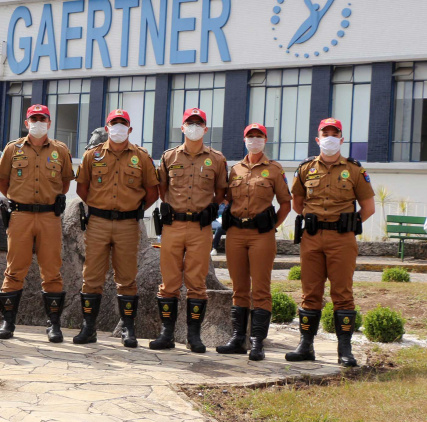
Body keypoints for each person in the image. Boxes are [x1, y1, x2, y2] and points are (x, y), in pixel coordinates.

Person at [286, 118, 375, 367]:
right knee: (310, 292)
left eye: (334, 134)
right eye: (325, 134)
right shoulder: (305, 168)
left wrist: (348, 223)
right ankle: (306, 346)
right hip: (312, 238)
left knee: (342, 293)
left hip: (342, 239)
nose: (330, 138)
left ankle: (344, 350)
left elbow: (368, 208)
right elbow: (297, 203)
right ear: (318, 139)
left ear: (342, 139)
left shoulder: (355, 170)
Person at [74, 109, 159, 346]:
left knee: (127, 278)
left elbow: (153, 192)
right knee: (91, 277)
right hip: (98, 222)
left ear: (130, 130)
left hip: (128, 224)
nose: (119, 128)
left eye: (123, 124)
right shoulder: (93, 155)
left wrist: (133, 209)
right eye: (114, 123)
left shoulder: (141, 157)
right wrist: (99, 207)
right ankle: (88, 328)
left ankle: (128, 330)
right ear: (107, 127)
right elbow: (82, 188)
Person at [0, 104, 74, 342]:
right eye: (33, 119)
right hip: (20, 216)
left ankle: (54, 325)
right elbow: (2, 184)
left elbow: (65, 183)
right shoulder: (13, 149)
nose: (38, 122)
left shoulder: (60, 150)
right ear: (26, 123)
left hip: (49, 216)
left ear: (49, 123)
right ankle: (8, 322)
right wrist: (21, 200)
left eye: (42, 118)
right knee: (14, 269)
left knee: (51, 271)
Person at [151, 108, 228, 353]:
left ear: (205, 129)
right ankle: (167, 334)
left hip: (200, 227)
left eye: (199, 123)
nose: (194, 126)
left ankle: (194, 337)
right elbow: (162, 189)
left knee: (197, 282)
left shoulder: (217, 159)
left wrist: (210, 208)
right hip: (173, 225)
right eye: (189, 122)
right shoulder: (169, 157)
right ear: (182, 128)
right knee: (169, 282)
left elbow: (221, 192)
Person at [215, 124, 291, 360]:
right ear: (244, 139)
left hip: (261, 235)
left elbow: (285, 203)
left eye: (258, 137)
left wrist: (271, 226)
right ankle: (238, 339)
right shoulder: (234, 169)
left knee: (260, 288)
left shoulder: (275, 170)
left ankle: (257, 342)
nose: (254, 140)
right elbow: (225, 198)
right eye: (250, 136)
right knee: (238, 288)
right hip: (236, 233)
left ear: (265, 140)